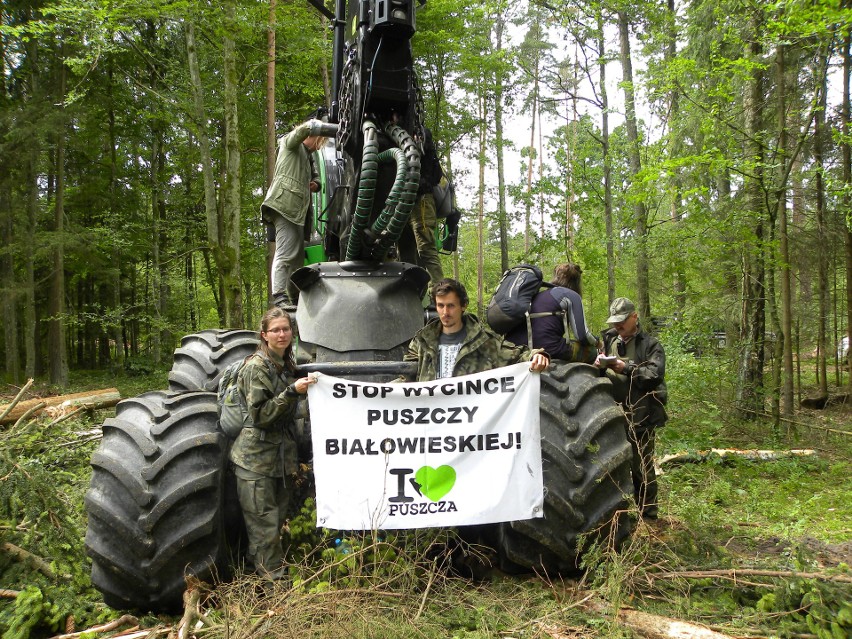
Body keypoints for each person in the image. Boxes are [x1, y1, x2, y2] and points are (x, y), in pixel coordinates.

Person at [229, 306, 317, 579]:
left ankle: (253, 580)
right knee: (265, 531)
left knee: (272, 526)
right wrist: (292, 392)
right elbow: (261, 415)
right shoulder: (256, 368)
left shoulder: (283, 364)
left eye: (286, 329)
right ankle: (276, 598)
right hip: (256, 464)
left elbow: (290, 414)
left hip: (278, 462)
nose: (282, 334)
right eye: (276, 330)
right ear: (264, 335)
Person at [595, 297, 668, 520]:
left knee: (642, 467)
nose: (617, 327)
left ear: (634, 317)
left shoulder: (651, 345)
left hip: (642, 415)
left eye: (622, 322)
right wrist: (598, 363)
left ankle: (648, 514)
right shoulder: (608, 339)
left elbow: (654, 375)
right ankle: (617, 516)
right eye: (614, 323)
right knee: (610, 466)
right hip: (612, 414)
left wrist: (625, 367)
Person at [403, 278, 549, 382]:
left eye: (451, 305)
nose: (445, 312)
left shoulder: (484, 341)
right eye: (440, 305)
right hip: (432, 418)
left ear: (464, 305)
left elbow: (517, 355)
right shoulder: (422, 341)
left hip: (472, 419)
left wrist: (537, 355)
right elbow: (406, 377)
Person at [262, 119, 336, 306]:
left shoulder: (308, 156)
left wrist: (316, 184)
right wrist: (322, 126)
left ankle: (294, 296)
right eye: (319, 140)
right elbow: (304, 129)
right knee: (286, 253)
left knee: (296, 257)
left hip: (298, 211)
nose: (319, 146)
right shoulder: (290, 144)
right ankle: (279, 296)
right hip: (285, 205)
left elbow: (317, 178)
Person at [505, 262, 599, 363]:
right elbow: (582, 336)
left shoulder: (535, 295)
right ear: (577, 282)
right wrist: (598, 343)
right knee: (593, 352)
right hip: (549, 347)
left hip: (519, 349)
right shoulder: (570, 295)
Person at [399, 127, 444, 285]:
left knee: (425, 248)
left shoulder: (421, 137)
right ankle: (412, 289)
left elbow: (436, 175)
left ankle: (439, 291)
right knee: (405, 247)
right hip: (405, 202)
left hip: (422, 201)